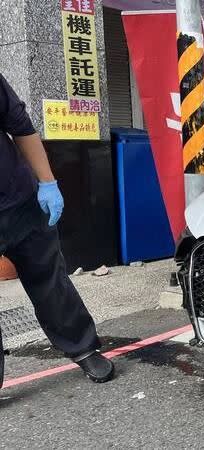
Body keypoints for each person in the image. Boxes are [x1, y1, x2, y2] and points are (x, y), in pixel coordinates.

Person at [0, 73, 114, 382]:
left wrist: (48, 182)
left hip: (21, 202)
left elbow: (22, 127)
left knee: (50, 281)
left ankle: (83, 349)